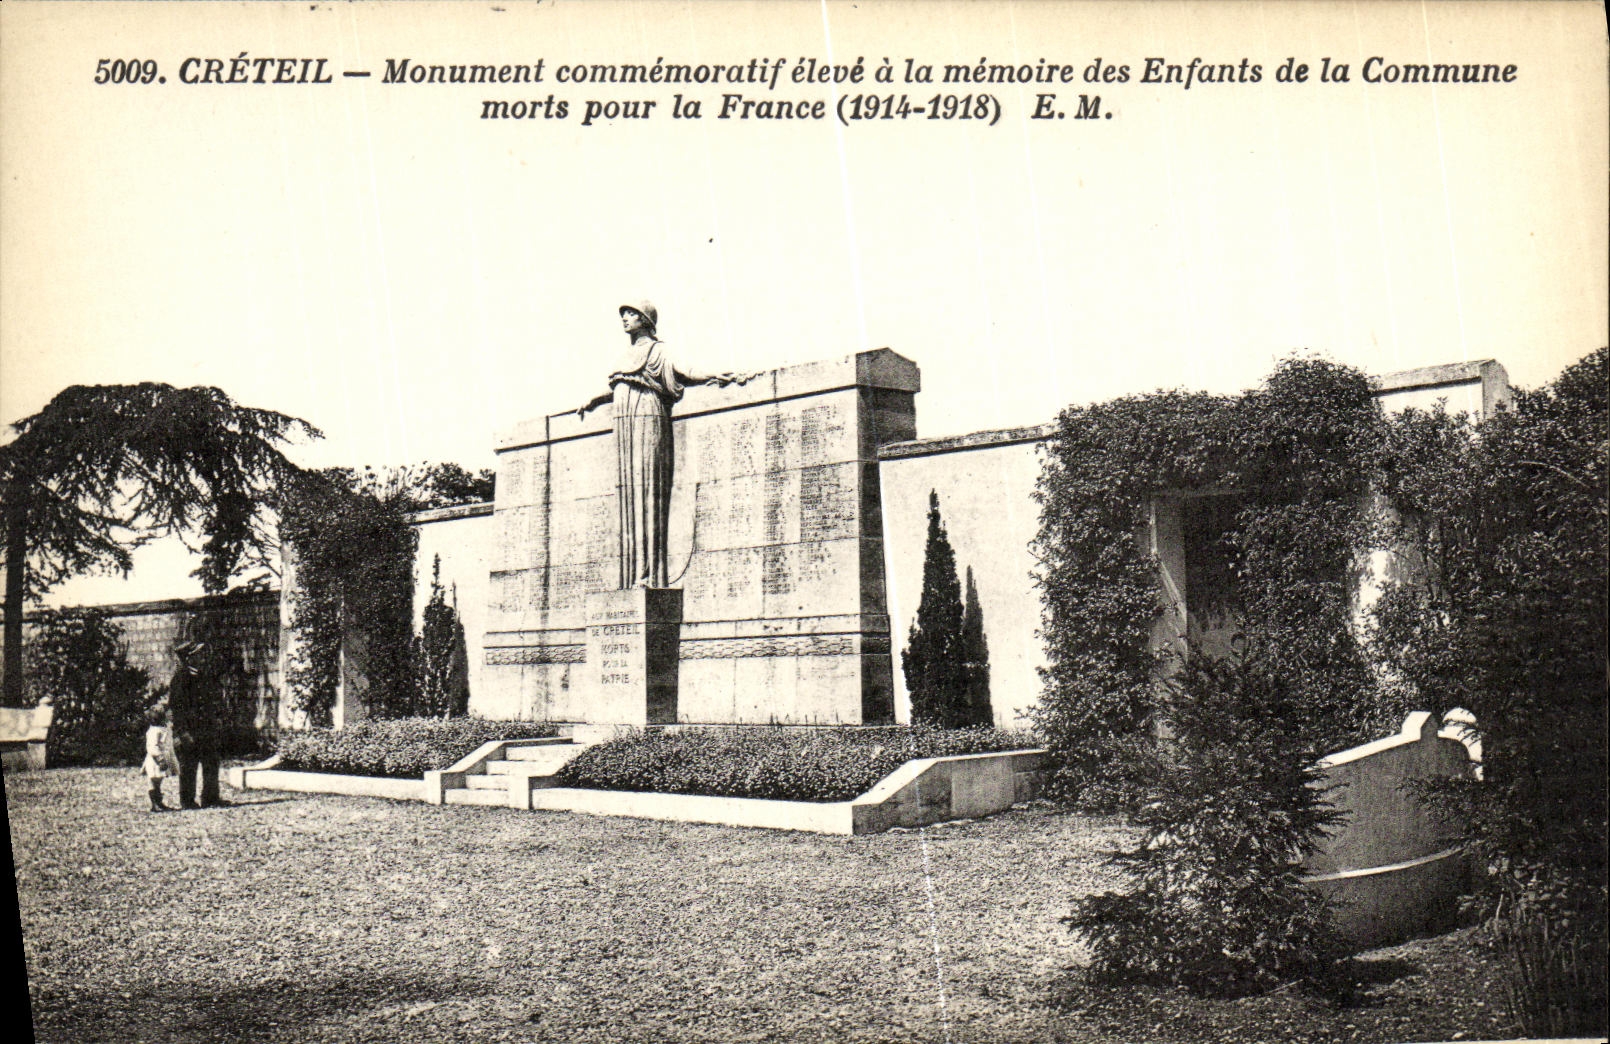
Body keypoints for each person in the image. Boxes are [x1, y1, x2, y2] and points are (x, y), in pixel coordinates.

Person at [575, 302, 755, 588]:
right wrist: (594, 400)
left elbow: (686, 371)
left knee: (648, 492)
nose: (624, 318)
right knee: (628, 494)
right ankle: (630, 577)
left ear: (645, 320)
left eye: (631, 314)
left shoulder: (658, 351)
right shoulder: (624, 356)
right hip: (624, 423)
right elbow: (618, 385)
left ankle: (649, 576)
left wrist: (718, 375)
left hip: (648, 415)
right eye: (623, 314)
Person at [168, 638, 223, 808]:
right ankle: (187, 800)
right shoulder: (180, 678)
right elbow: (176, 708)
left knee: (211, 762)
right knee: (188, 767)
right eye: (198, 655)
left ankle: (210, 798)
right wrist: (183, 732)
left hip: (206, 728)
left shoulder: (202, 675)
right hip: (190, 730)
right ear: (189, 658)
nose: (202, 658)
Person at [141, 701, 177, 812]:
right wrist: (160, 759)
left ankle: (159, 802)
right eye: (168, 713)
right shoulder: (154, 731)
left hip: (165, 757)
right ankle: (154, 803)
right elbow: (152, 747)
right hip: (155, 760)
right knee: (153, 780)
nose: (171, 714)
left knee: (159, 780)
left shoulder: (166, 728)